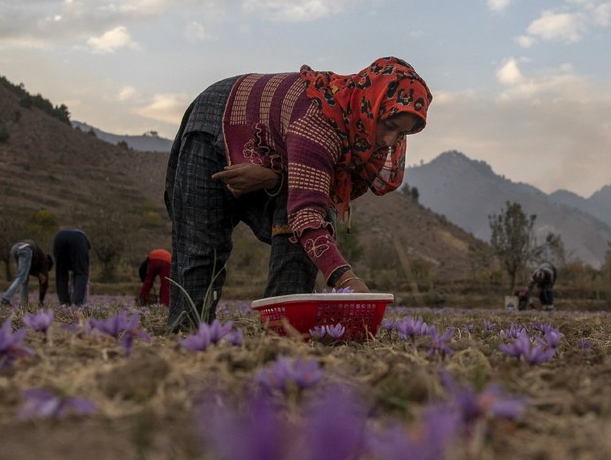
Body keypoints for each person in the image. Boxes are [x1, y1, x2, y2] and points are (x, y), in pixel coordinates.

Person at [164, 57, 430, 331]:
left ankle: (284, 331)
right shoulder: (319, 120)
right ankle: (186, 337)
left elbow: (321, 192)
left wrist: (274, 177)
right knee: (203, 248)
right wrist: (346, 280)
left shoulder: (365, 137)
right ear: (373, 106)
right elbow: (307, 214)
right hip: (216, 123)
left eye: (403, 133)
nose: (389, 141)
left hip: (276, 153)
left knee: (299, 234)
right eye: (389, 125)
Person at [0, 240, 51, 307]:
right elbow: (45, 282)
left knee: (24, 278)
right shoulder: (45, 262)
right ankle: (5, 299)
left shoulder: (39, 259)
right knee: (21, 277)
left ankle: (24, 304)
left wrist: (38, 274)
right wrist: (41, 301)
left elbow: (29, 270)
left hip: (16, 247)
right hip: (26, 249)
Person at [52, 227, 91, 306]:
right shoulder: (84, 242)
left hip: (59, 237)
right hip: (78, 239)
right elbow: (81, 271)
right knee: (81, 273)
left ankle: (64, 303)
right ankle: (77, 304)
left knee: (61, 274)